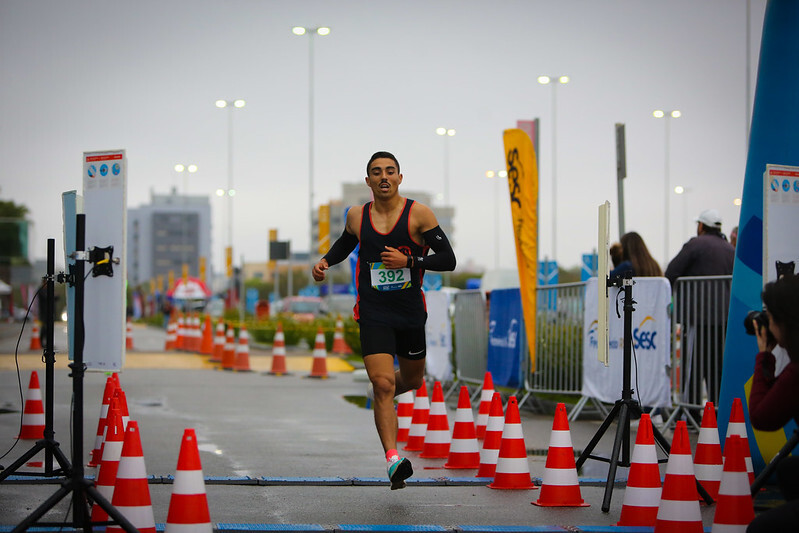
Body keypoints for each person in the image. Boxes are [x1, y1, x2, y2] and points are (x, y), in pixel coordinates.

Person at [312, 151, 456, 490]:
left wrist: (409, 261)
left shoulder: (419, 214)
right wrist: (324, 262)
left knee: (412, 380)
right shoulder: (357, 216)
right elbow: (345, 244)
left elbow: (448, 260)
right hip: (374, 311)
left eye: (390, 171)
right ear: (368, 181)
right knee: (384, 384)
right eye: (376, 172)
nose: (383, 177)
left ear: (400, 178)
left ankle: (382, 392)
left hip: (408, 312)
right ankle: (393, 459)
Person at [665, 209, 734, 414]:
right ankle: (716, 414)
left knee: (692, 368)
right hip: (723, 320)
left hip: (698, 318)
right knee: (717, 369)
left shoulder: (695, 244)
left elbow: (672, 272)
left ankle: (689, 413)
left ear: (701, 226)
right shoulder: (730, 250)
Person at [747, 274, 799, 532]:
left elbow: (762, 417)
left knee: (759, 529)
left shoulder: (796, 373)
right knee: (790, 470)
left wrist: (764, 355)